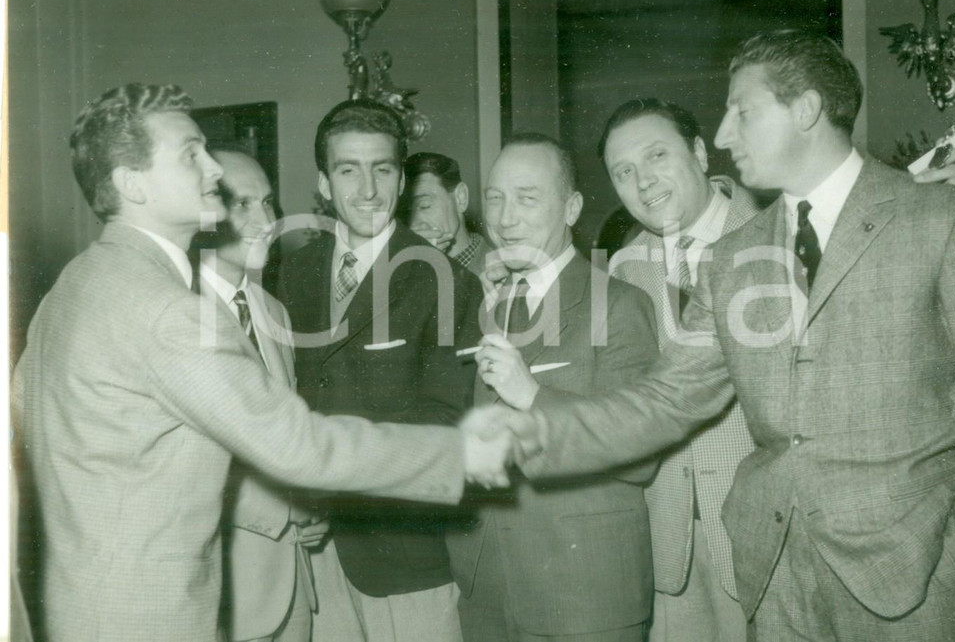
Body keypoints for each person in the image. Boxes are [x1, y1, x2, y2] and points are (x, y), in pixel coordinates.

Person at [478, 30, 955, 640]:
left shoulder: (945, 218)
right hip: (756, 575)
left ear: (804, 109)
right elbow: (666, 401)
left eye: (742, 113)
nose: (726, 136)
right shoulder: (724, 259)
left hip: (915, 585)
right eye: (622, 170)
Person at [11, 83, 508, 642]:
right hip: (160, 607)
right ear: (132, 183)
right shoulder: (180, 305)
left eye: (384, 171)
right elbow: (291, 443)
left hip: (378, 560)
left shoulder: (73, 286)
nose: (213, 172)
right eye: (191, 154)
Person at [278, 99, 483, 642]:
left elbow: (443, 424)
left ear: (403, 179)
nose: (367, 189)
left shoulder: (447, 282)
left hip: (405, 556)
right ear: (324, 183)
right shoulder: (291, 274)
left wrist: (325, 484)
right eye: (349, 170)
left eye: (383, 169)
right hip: (312, 557)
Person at [453, 134, 659, 642]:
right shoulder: (482, 306)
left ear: (571, 208)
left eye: (527, 198)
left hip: (584, 594)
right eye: (496, 198)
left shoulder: (619, 305)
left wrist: (533, 396)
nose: (505, 218)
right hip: (489, 588)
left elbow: (640, 458)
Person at [600, 99, 763, 642]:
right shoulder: (623, 268)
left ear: (698, 151)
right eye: (623, 172)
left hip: (767, 539)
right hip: (668, 546)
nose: (643, 182)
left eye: (656, 156)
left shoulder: (781, 236)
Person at [190, 149, 325, 642]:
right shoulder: (178, 314)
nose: (266, 221)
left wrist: (312, 499)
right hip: (224, 598)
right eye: (243, 205)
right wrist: (288, 509)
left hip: (293, 591)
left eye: (268, 203)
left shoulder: (273, 311)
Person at [402, 151, 492, 276]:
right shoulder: (405, 270)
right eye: (406, 212)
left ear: (461, 198)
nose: (414, 224)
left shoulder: (503, 270)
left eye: (424, 205)